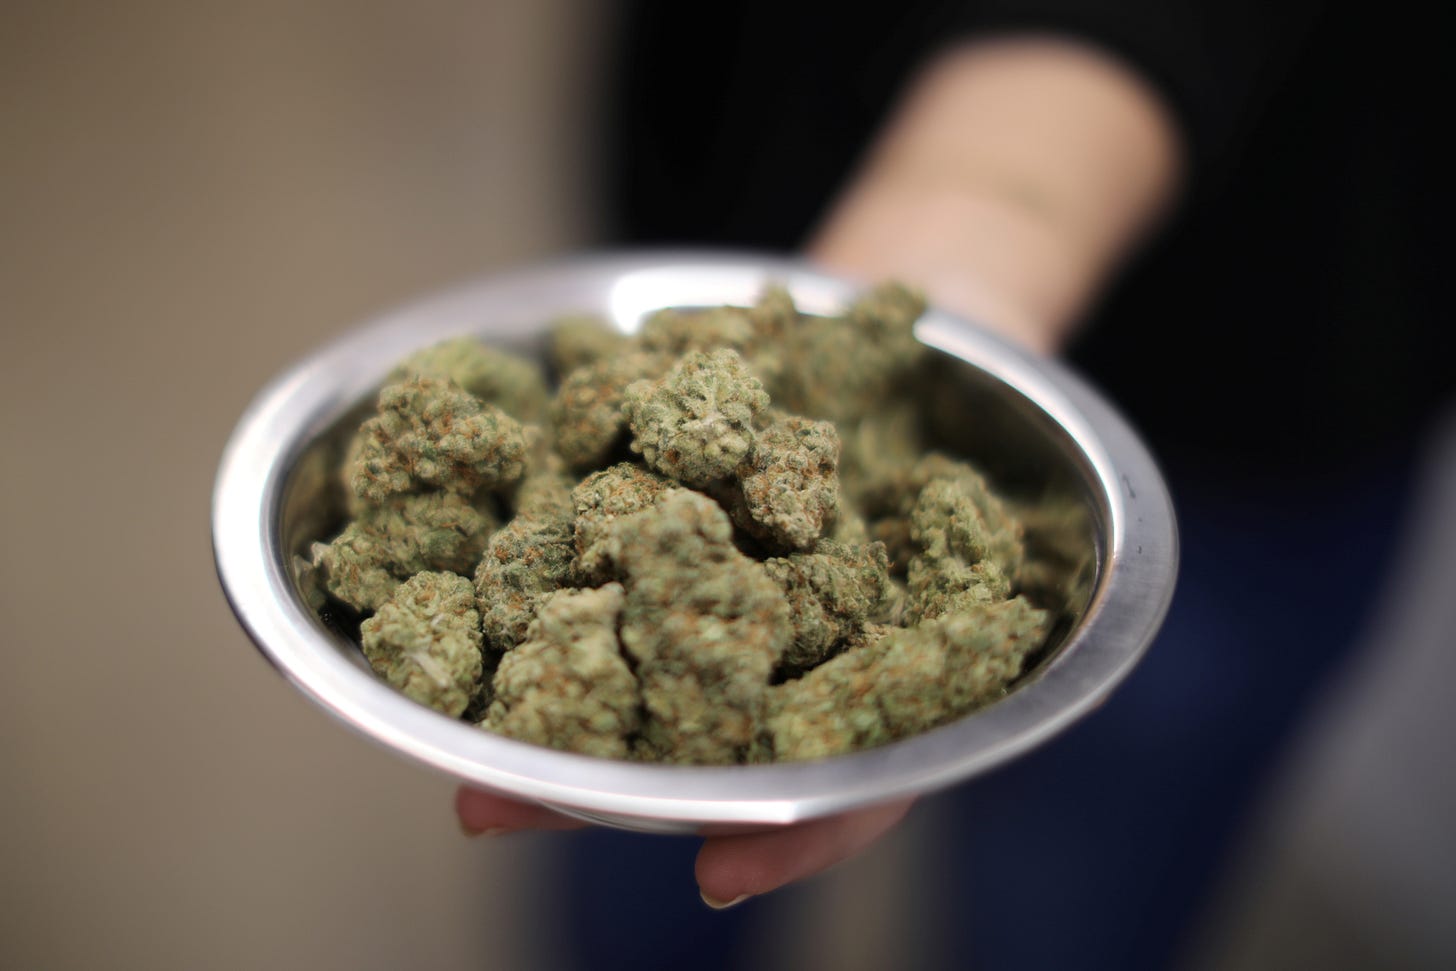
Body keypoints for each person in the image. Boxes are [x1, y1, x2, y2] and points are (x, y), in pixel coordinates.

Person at [458, 3, 1451, 968]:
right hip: (762, 141)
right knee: (638, 855)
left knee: (1065, 902)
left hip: (1244, 379)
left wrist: (990, 207)